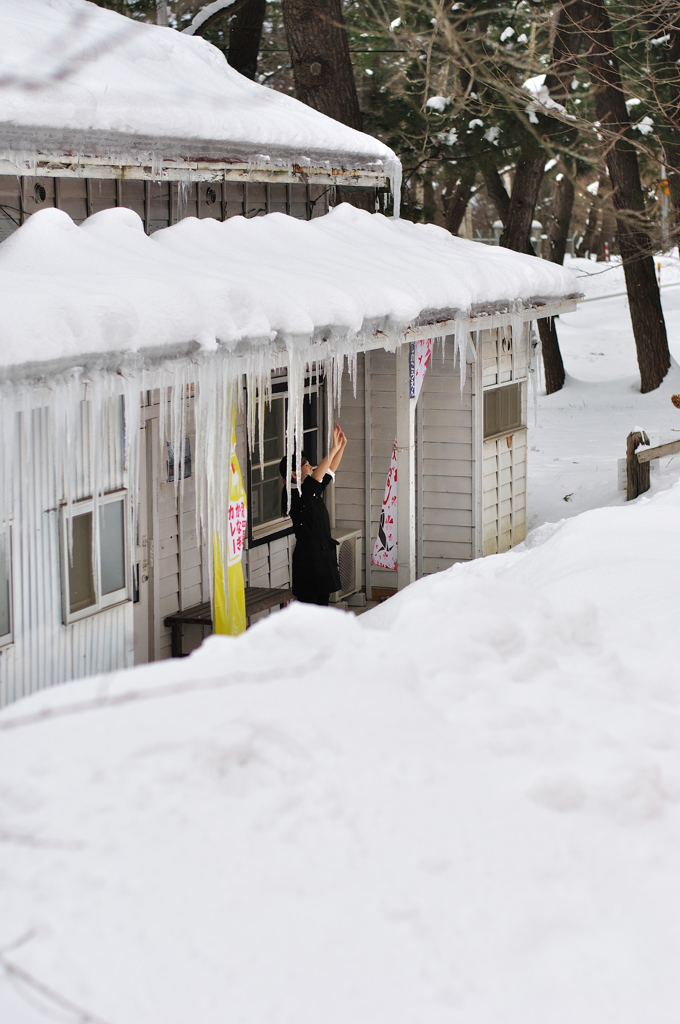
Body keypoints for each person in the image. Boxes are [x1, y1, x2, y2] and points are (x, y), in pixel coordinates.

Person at [280, 424, 347, 606]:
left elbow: (329, 470)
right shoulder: (294, 494)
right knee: (309, 605)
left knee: (323, 602)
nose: (310, 467)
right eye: (306, 465)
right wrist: (332, 449)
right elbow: (318, 476)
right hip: (308, 558)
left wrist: (341, 447)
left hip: (323, 553)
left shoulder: (312, 489)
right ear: (294, 473)